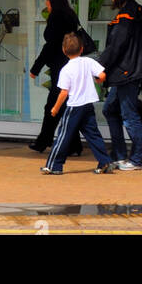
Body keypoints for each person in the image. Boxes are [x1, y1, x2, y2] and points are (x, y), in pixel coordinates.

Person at [41, 33, 114, 176]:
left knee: (63, 135)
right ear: (81, 49)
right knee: (93, 135)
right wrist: (98, 81)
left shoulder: (66, 70)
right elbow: (103, 75)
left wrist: (55, 108)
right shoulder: (88, 61)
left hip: (74, 107)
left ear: (63, 50)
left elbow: (63, 93)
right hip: (88, 105)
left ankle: (54, 165)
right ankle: (104, 161)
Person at [98, 0, 142, 170]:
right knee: (110, 109)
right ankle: (119, 154)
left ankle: (139, 159)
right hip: (130, 70)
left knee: (129, 115)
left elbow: (116, 46)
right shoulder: (136, 12)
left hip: (126, 72)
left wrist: (100, 67)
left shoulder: (125, 17)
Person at [28, 0, 82, 155]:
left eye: (47, 0)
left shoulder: (56, 17)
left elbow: (50, 46)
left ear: (52, 1)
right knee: (66, 106)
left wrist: (36, 67)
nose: (46, 4)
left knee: (53, 106)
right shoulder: (71, 15)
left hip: (61, 69)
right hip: (72, 65)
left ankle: (43, 141)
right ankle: (74, 146)